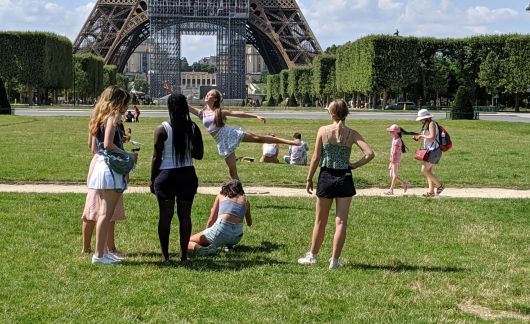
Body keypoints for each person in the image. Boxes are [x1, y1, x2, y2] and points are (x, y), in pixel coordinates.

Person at [163, 81, 299, 180]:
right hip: (221, 142)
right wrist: (170, 91)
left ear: (215, 99)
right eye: (207, 94)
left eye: (210, 94)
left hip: (229, 134)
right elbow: (183, 103)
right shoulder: (201, 113)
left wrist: (256, 115)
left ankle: (290, 142)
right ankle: (239, 193)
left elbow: (237, 113)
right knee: (232, 170)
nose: (207, 95)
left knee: (259, 138)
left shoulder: (219, 111)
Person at [298, 99, 374, 270]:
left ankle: (313, 255)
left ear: (332, 114)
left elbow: (316, 158)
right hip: (345, 177)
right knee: (341, 222)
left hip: (326, 176)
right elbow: (370, 154)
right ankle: (334, 260)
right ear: (346, 113)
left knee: (320, 221)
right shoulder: (352, 133)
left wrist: (309, 178)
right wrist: (353, 165)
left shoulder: (323, 131)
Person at [150, 93, 203, 264]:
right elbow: (199, 154)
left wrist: (152, 179)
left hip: (166, 176)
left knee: (165, 217)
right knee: (185, 217)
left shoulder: (162, 129)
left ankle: (165, 256)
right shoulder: (193, 128)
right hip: (187, 174)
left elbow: (156, 158)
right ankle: (184, 256)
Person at [87, 85, 132, 265]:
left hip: (99, 166)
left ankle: (103, 252)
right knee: (106, 213)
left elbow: (95, 147)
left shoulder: (99, 117)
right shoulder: (112, 117)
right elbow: (107, 144)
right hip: (109, 169)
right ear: (117, 102)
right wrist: (128, 155)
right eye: (125, 103)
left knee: (104, 213)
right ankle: (99, 254)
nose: (126, 107)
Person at [187, 179, 252, 255]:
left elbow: (212, 219)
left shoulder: (221, 195)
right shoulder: (246, 202)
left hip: (221, 231)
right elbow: (249, 223)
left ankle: (201, 249)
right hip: (236, 237)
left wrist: (206, 232)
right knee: (225, 236)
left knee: (187, 241)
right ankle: (228, 246)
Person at [412, 109, 444, 197]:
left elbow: (432, 137)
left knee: (424, 170)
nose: (421, 121)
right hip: (430, 150)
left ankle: (439, 185)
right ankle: (431, 192)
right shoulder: (427, 124)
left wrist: (422, 136)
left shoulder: (431, 124)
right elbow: (428, 137)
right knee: (429, 171)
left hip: (434, 150)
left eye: (421, 119)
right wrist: (419, 137)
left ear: (426, 118)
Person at [384, 124, 410, 195]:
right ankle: (405, 183)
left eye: (391, 131)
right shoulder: (395, 139)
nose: (390, 133)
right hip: (393, 159)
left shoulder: (397, 141)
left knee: (394, 175)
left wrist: (391, 162)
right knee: (392, 175)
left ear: (396, 132)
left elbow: (394, 153)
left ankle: (391, 190)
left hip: (395, 160)